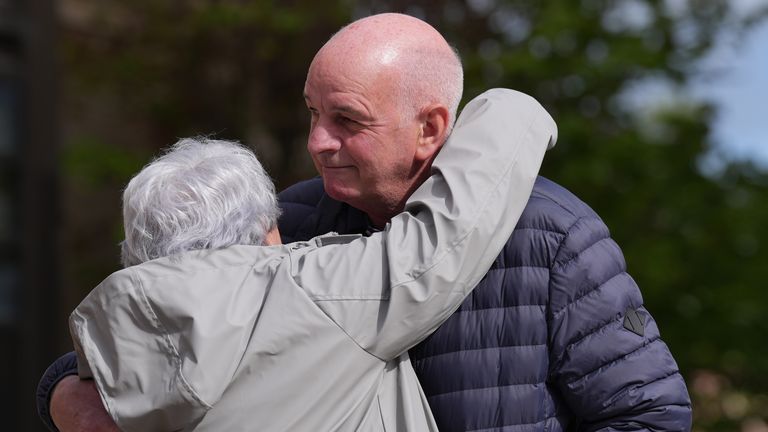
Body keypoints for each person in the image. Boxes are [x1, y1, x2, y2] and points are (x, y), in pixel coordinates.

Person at [38, 12, 692, 432]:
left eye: (346, 120)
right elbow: (141, 338)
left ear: (430, 127)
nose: (318, 142)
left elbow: (647, 415)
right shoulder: (288, 218)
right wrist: (66, 398)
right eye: (312, 114)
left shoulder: (553, 238)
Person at [66, 90, 555, 431]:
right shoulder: (317, 296)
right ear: (267, 230)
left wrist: (54, 392)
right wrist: (512, 106)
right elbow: (452, 227)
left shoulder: (109, 340)